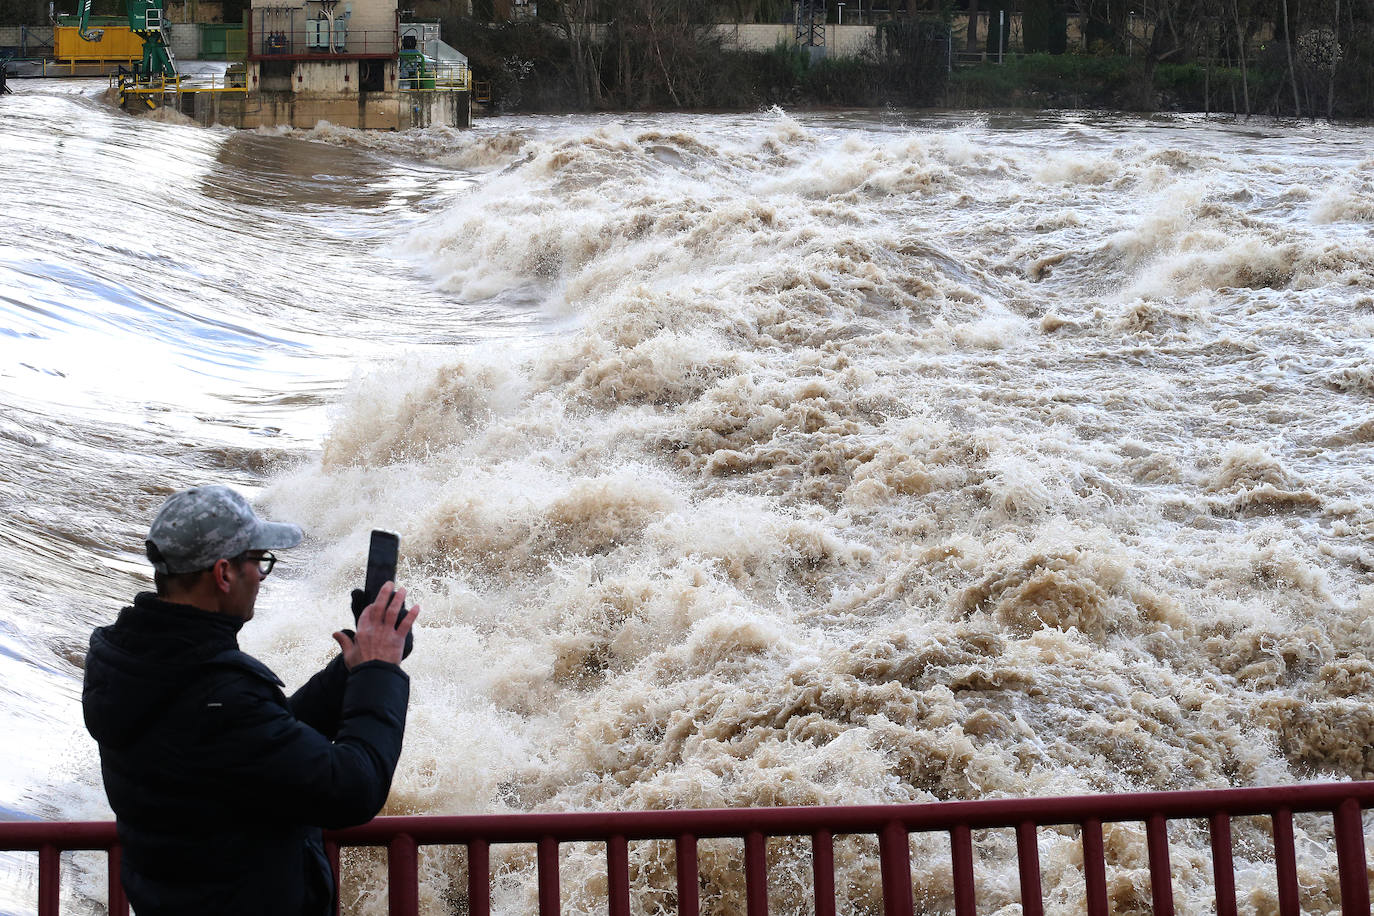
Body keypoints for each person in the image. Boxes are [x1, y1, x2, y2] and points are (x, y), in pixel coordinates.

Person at [82, 484, 419, 915]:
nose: (261, 576)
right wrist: (380, 673)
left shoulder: (133, 663)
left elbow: (260, 745)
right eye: (258, 561)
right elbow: (352, 787)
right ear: (223, 574)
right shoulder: (216, 694)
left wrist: (351, 673)